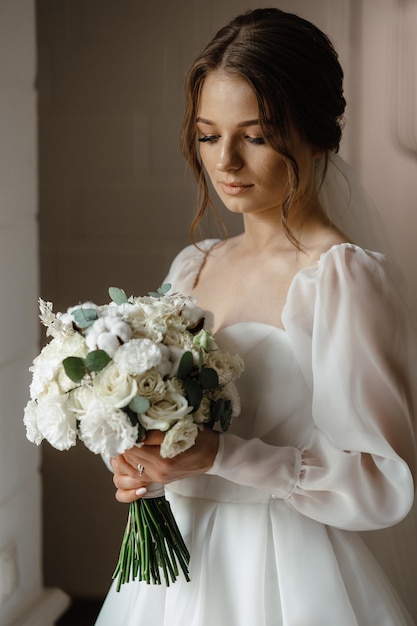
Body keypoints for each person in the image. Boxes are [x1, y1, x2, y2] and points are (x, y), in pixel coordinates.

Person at [95, 8, 417, 625]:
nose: (226, 163)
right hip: (172, 578)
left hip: (285, 573)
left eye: (258, 135)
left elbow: (381, 482)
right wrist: (144, 462)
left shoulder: (341, 278)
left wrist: (221, 456)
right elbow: (164, 419)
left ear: (318, 133)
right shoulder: (192, 267)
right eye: (209, 135)